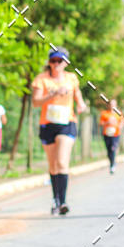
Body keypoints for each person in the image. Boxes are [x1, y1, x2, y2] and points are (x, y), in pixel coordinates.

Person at [31, 47, 87, 215]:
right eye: (53, 61)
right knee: (53, 165)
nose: (56, 64)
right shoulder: (41, 79)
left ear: (66, 62)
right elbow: (35, 102)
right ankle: (55, 200)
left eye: (59, 61)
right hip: (47, 124)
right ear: (49, 62)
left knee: (62, 162)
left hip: (66, 122)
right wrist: (53, 93)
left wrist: (81, 105)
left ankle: (63, 202)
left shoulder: (72, 78)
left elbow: (78, 96)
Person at [99, 98, 123, 173]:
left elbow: (122, 121)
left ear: (116, 105)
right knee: (109, 150)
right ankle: (112, 162)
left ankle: (113, 165)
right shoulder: (104, 113)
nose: (112, 106)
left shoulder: (118, 113)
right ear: (108, 105)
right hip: (107, 134)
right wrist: (107, 123)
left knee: (113, 148)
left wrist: (119, 126)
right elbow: (100, 123)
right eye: (111, 104)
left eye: (114, 104)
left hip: (116, 134)